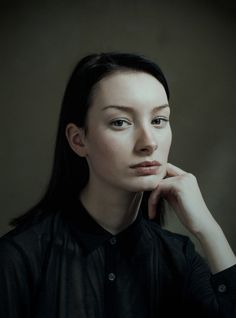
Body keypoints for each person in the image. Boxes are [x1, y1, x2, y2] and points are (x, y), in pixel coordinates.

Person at [0, 52, 235, 318]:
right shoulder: (19, 258)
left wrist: (208, 229)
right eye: (120, 122)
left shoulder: (179, 257)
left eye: (159, 120)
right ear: (78, 140)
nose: (149, 142)